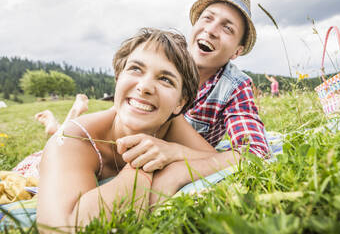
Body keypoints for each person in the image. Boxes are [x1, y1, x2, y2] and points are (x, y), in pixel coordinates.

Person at [23, 0, 270, 206]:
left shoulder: (234, 87)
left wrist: (174, 156)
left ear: (237, 51)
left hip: (155, 153)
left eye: (227, 28)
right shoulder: (161, 55)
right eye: (207, 18)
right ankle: (59, 125)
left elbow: (254, 153)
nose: (212, 30)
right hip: (109, 150)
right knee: (60, 142)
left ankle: (63, 123)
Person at [36, 28, 216, 231]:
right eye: (136, 69)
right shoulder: (72, 140)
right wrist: (141, 169)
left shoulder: (170, 122)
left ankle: (63, 117)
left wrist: (176, 160)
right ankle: (56, 123)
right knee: (55, 137)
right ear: (118, 77)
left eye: (165, 79)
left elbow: (237, 159)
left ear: (179, 103)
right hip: (39, 163)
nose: (145, 86)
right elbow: (60, 228)